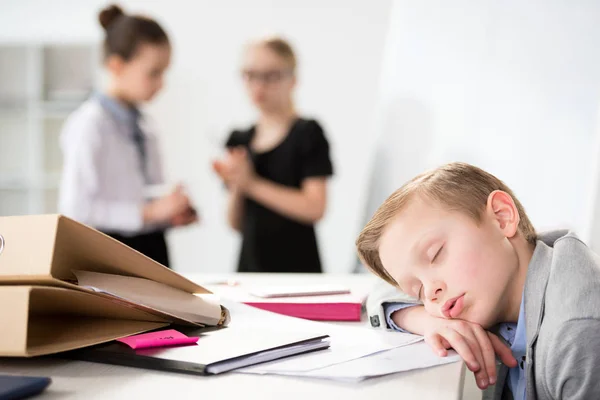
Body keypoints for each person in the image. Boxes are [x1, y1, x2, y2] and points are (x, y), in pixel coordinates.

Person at [356, 162, 600, 399]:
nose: (431, 291)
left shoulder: (578, 336)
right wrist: (424, 320)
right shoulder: (513, 266)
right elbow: (380, 292)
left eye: (436, 254)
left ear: (502, 217)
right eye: (417, 290)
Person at [58, 4, 197, 268]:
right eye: (154, 73)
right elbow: (76, 211)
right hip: (111, 254)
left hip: (152, 250)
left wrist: (169, 212)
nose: (161, 83)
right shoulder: (90, 124)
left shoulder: (147, 126)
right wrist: (148, 213)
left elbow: (146, 194)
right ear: (117, 66)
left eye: (165, 72)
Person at [213, 36, 333, 273]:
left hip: (300, 271)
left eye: (270, 76)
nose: (259, 86)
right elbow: (235, 223)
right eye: (250, 75)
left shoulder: (307, 133)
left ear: (293, 79)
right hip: (250, 270)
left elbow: (315, 208)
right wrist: (237, 184)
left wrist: (251, 184)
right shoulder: (238, 140)